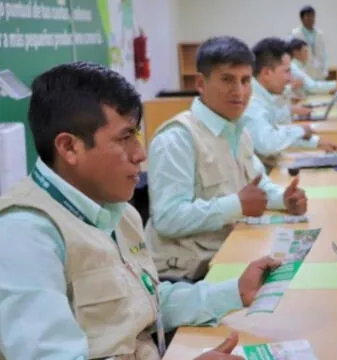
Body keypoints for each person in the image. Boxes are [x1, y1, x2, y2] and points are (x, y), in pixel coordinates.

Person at [0, 61, 281, 360]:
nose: (140, 153)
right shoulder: (25, 234)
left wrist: (235, 290)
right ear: (70, 147)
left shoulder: (116, 211)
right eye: (125, 138)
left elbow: (144, 301)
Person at [146, 37, 308, 282]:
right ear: (201, 83)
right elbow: (168, 218)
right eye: (227, 80)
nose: (239, 91)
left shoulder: (238, 130)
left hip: (229, 252)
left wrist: (284, 199)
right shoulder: (177, 138)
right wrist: (237, 205)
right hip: (186, 273)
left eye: (245, 81)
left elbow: (258, 184)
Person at [240, 37, 337, 171]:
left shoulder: (265, 97)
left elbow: (277, 132)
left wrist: (316, 141)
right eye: (286, 71)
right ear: (266, 73)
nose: (290, 79)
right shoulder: (251, 101)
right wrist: (301, 130)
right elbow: (267, 142)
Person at [291, 5, 328, 80]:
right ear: (302, 18)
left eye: (312, 16)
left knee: (320, 88)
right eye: (308, 16)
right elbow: (294, 55)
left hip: (319, 72)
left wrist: (325, 70)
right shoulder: (296, 34)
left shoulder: (319, 34)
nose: (311, 18)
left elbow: (324, 54)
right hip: (304, 72)